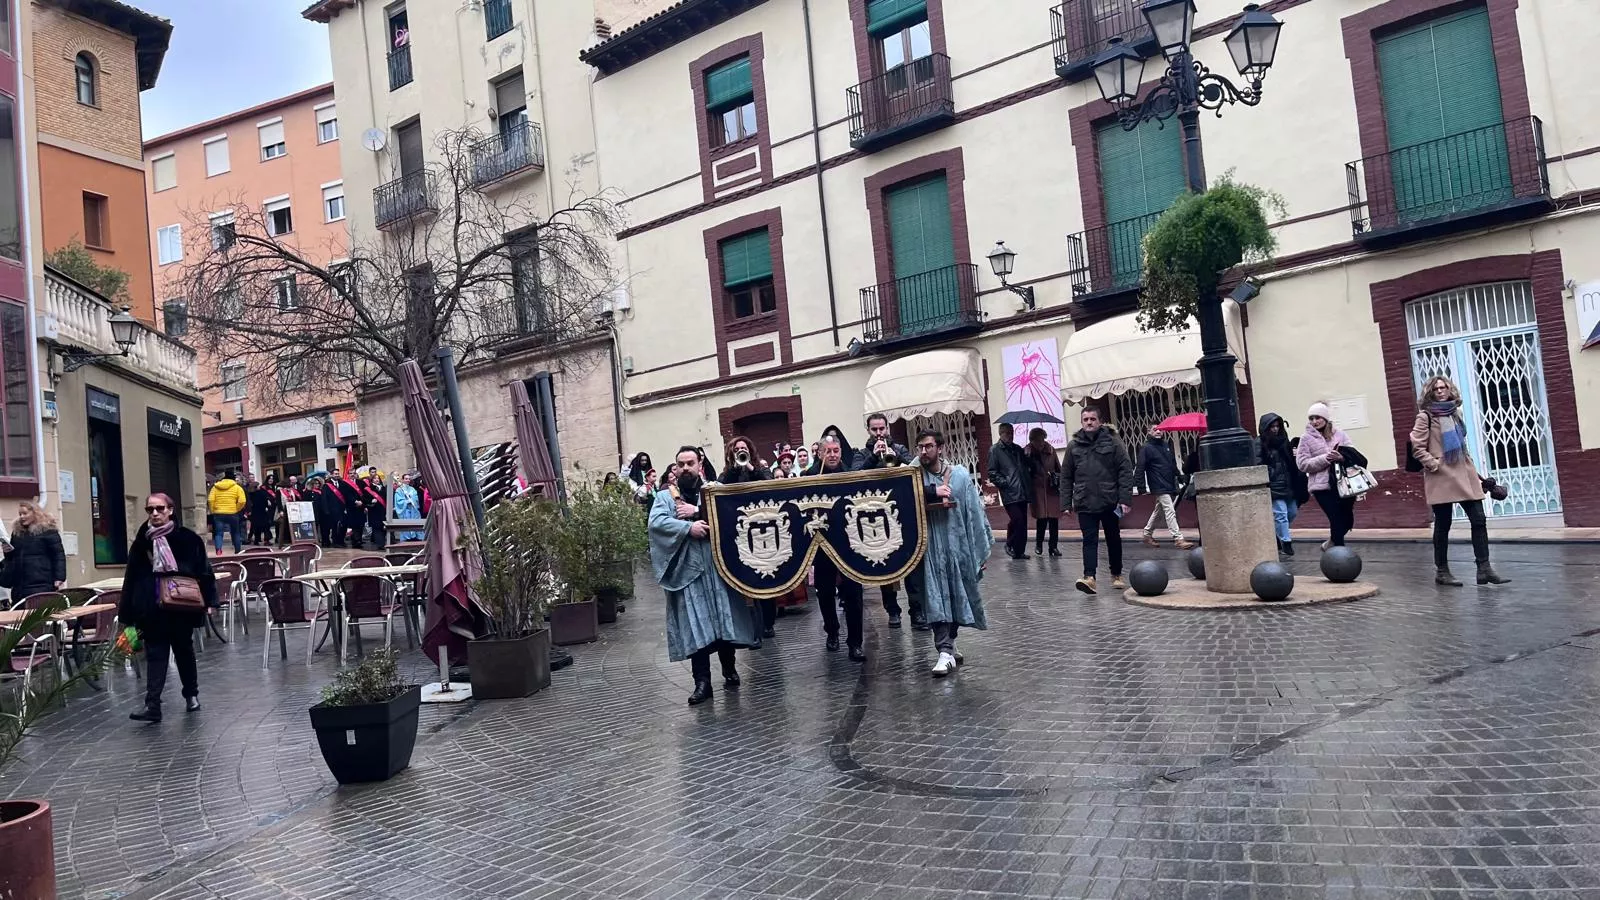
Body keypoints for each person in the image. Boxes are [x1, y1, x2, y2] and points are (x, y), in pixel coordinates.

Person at [650, 446, 762, 705]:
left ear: (700, 464)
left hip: (718, 568)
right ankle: (702, 683)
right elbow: (657, 524)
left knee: (724, 621)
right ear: (675, 468)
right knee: (695, 625)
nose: (686, 467)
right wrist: (688, 528)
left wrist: (697, 514)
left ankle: (729, 668)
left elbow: (732, 515)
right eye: (681, 464)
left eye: (691, 462)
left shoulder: (713, 489)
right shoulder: (665, 498)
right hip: (689, 573)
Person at [119, 493, 219, 723]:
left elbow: (204, 572)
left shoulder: (187, 539)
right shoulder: (142, 542)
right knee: (156, 655)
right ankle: (152, 705)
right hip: (151, 608)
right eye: (150, 509)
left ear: (170, 510)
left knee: (184, 651)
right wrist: (126, 614)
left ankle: (191, 695)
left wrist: (210, 602)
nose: (154, 513)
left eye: (159, 508)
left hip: (181, 606)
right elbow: (131, 579)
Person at [1411, 376, 1510, 586]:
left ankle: (1484, 569)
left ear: (1449, 389)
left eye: (1443, 387)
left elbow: (1461, 443)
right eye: (1436, 388)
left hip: (1463, 470)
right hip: (1441, 475)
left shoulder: (1454, 412)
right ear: (1430, 392)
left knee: (1479, 519)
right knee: (1443, 524)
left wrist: (1473, 469)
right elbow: (1417, 447)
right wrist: (1433, 464)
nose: (1440, 391)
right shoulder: (1425, 416)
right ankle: (1442, 571)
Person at [910, 430, 990, 676]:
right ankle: (944, 650)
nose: (924, 452)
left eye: (929, 446)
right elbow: (899, 498)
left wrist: (978, 550)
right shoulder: (910, 476)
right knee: (935, 598)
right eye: (920, 447)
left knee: (956, 595)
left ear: (940, 447)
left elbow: (974, 512)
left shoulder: (960, 476)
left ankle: (950, 642)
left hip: (956, 548)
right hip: (928, 550)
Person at [1062, 408, 1135, 594]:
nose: (1089, 422)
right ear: (1081, 422)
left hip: (1109, 500)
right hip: (1084, 500)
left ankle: (1116, 574)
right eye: (1085, 419)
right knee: (1089, 539)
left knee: (1113, 538)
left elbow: (1125, 470)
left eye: (1092, 419)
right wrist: (1065, 503)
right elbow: (1066, 476)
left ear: (1099, 422)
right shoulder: (1073, 446)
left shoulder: (1113, 442)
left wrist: (1125, 499)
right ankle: (1089, 577)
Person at [810, 436, 867, 661]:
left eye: (836, 450)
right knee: (824, 592)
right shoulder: (809, 477)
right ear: (820, 453)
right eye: (828, 451)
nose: (833, 454)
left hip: (849, 542)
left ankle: (855, 642)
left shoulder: (850, 473)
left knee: (854, 593)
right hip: (821, 543)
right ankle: (832, 631)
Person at [719, 436, 778, 638]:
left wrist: (753, 469)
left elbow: (770, 486)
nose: (741, 451)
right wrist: (735, 469)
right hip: (740, 532)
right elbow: (720, 488)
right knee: (747, 579)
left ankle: (769, 622)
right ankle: (754, 625)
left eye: (744, 448)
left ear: (750, 451)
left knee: (766, 574)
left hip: (763, 529)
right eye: (737, 449)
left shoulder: (761, 469)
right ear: (731, 453)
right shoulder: (727, 473)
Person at [1296, 402, 1357, 550]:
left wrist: (1341, 457)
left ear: (1325, 418)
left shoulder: (1340, 434)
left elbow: (1352, 454)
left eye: (1318, 417)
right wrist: (1326, 458)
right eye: (1311, 418)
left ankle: (1332, 542)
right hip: (1321, 486)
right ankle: (1340, 555)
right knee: (1335, 518)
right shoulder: (1306, 438)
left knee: (1347, 520)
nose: (1314, 421)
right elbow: (1302, 464)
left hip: (1342, 482)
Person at [1259, 414, 1307, 560]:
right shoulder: (1260, 442)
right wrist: (1270, 474)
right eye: (1272, 427)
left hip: (1288, 484)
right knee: (1280, 514)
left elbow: (1291, 463)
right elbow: (1258, 462)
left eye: (1277, 426)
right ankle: (1286, 543)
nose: (1275, 429)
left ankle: (1275, 534)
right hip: (1273, 485)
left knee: (1291, 512)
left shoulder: (1284, 441)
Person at [1137, 426, 1193, 550]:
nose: (1158, 431)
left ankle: (1147, 534)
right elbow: (1140, 467)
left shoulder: (1165, 446)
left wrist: (1179, 476)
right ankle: (1178, 538)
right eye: (1154, 429)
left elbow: (1172, 463)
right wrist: (1140, 486)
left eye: (1160, 429)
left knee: (1159, 510)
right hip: (1157, 484)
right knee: (1169, 510)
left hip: (1168, 483)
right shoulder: (1146, 448)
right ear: (1149, 432)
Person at [1, 500, 67, 601]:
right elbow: (13, 558)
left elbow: (58, 555)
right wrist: (7, 552)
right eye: (20, 514)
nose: (22, 517)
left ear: (35, 513)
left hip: (42, 583)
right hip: (20, 585)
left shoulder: (48, 530)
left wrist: (59, 577)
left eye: (25, 513)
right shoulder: (17, 533)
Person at [988, 423, 1032, 559]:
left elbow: (1027, 467)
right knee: (1017, 519)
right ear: (1000, 434)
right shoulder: (995, 450)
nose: (1010, 435)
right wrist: (1005, 483)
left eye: (1011, 432)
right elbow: (992, 472)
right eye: (1007, 433)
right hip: (1009, 492)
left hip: (1022, 491)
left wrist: (1028, 455)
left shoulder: (1018, 449)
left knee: (1023, 522)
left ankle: (1019, 551)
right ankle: (1010, 543)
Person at [1024, 428, 1063, 557]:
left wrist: (1055, 476)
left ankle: (1053, 547)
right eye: (1037, 440)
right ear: (1032, 440)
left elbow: (1059, 469)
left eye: (1042, 440)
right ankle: (1039, 544)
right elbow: (1024, 472)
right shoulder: (1027, 452)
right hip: (1037, 491)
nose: (1040, 443)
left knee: (1053, 520)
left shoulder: (1050, 450)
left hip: (1051, 490)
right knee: (1041, 520)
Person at [207, 470, 247, 554]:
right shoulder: (237, 487)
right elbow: (242, 501)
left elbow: (210, 500)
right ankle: (237, 551)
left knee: (218, 533)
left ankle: (218, 550)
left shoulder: (215, 487)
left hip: (219, 513)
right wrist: (237, 509)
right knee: (235, 532)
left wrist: (213, 510)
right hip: (232, 513)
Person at [315, 473, 347, 547]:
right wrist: (326, 510)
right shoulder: (327, 486)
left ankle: (339, 541)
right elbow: (324, 499)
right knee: (332, 527)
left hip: (341, 509)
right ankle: (332, 542)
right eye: (335, 473)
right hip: (330, 510)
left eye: (338, 473)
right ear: (331, 475)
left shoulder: (341, 484)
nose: (337, 475)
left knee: (341, 526)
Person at [393, 473, 426, 541]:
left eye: (409, 479)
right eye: (406, 479)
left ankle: (416, 538)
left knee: (416, 524)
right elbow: (398, 501)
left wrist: (412, 499)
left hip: (413, 510)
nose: (408, 480)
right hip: (405, 511)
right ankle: (406, 540)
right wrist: (406, 501)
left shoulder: (412, 489)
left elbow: (416, 498)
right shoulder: (399, 490)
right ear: (403, 480)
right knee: (406, 526)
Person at [339, 469, 367, 548]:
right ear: (348, 474)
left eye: (354, 473)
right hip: (351, 507)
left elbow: (365, 493)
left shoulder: (361, 482)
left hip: (361, 507)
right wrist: (355, 501)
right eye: (350, 473)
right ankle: (355, 541)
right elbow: (346, 495)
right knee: (354, 525)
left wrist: (362, 502)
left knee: (361, 524)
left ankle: (360, 540)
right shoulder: (344, 483)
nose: (352, 475)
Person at [248, 476, 279, 546]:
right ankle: (266, 540)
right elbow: (265, 502)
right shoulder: (261, 493)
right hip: (262, 512)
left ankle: (256, 540)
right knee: (266, 527)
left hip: (254, 513)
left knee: (256, 527)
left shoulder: (250, 494)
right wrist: (267, 506)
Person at [363, 471, 389, 550]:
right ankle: (380, 544)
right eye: (375, 478)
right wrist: (371, 501)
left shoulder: (383, 488)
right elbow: (364, 499)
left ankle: (382, 542)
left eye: (378, 478)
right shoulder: (368, 489)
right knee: (376, 528)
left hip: (383, 511)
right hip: (374, 511)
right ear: (372, 480)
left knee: (383, 527)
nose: (377, 480)